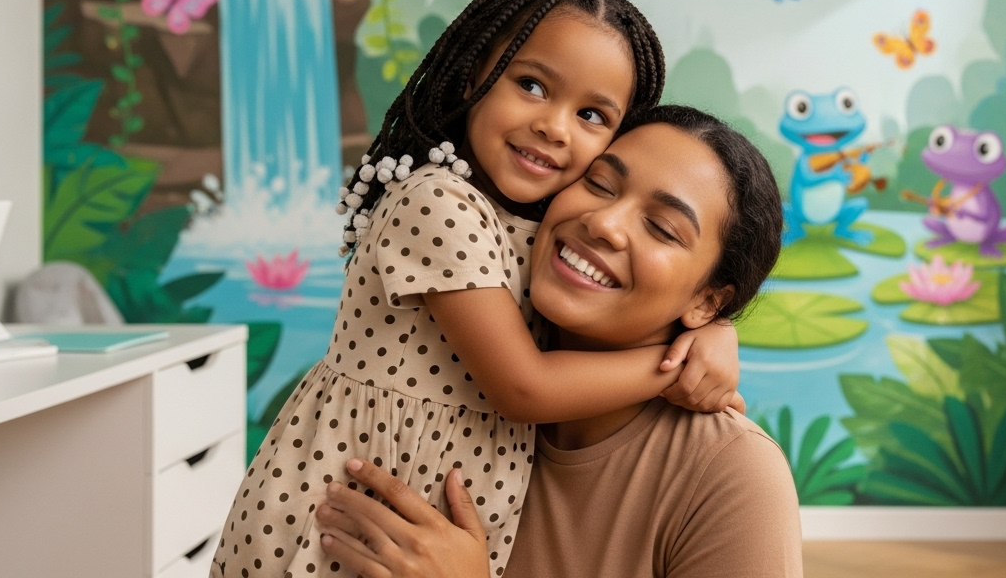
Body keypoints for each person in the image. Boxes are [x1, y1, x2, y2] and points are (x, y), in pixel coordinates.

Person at [212, 0, 744, 578]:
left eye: (593, 115)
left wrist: (713, 329)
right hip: (343, 513)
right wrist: (678, 367)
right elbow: (523, 387)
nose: (555, 126)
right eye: (531, 85)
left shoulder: (548, 228)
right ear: (474, 76)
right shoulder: (435, 203)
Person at [314, 106, 802, 578]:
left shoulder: (732, 475)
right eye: (599, 184)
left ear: (708, 300)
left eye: (661, 228)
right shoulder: (456, 365)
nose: (603, 223)